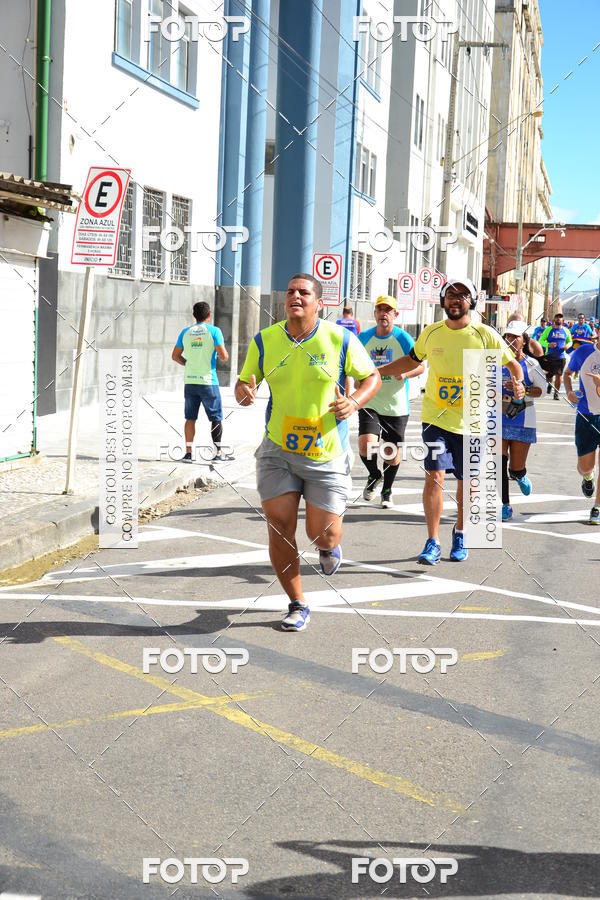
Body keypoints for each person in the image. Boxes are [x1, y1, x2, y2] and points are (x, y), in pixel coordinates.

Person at [235, 273, 380, 631]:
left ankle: (329, 548)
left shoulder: (339, 339)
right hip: (277, 451)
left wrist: (354, 402)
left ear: (319, 303)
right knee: (279, 527)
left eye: (304, 292)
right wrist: (244, 392)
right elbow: (243, 382)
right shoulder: (265, 340)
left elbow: (371, 377)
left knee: (322, 534)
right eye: (290, 292)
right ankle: (297, 602)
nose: (295, 296)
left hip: (326, 452)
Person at [378, 277, 524, 565]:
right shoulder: (431, 333)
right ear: (443, 300)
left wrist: (518, 384)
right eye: (451, 295)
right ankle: (432, 541)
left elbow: (513, 365)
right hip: (436, 418)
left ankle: (460, 532)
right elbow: (412, 360)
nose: (456, 299)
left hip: (473, 421)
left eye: (463, 295)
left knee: (467, 482)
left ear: (472, 301)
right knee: (435, 476)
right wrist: (377, 371)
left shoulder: (485, 334)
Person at [357, 295, 425, 508]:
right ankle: (374, 474)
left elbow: (421, 366)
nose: (383, 314)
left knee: (390, 452)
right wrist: (355, 382)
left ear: (395, 314)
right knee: (366, 445)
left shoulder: (403, 338)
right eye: (380, 309)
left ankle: (387, 490)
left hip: (396, 404)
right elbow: (353, 362)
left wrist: (405, 374)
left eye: (388, 310)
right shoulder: (364, 337)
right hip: (370, 400)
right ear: (375, 313)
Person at [172, 301, 230, 461]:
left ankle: (188, 453)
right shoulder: (214, 331)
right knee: (216, 417)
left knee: (190, 418)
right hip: (208, 381)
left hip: (190, 381)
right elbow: (224, 356)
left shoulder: (185, 332)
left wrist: (188, 364)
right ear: (209, 315)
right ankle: (218, 453)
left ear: (194, 315)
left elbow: (175, 356)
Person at [500, 321, 544, 521]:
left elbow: (541, 390)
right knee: (499, 463)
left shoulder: (532, 364)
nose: (510, 340)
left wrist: (522, 388)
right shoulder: (495, 361)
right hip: (498, 417)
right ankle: (505, 504)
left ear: (524, 341)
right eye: (508, 336)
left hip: (523, 419)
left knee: (515, 468)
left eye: (515, 337)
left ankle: (520, 475)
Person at [563, 332, 600, 525]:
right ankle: (587, 477)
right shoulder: (584, 352)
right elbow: (567, 373)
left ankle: (597, 507)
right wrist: (569, 391)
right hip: (586, 416)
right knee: (585, 466)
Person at [539, 313, 573, 399]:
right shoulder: (548, 329)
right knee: (549, 376)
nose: (558, 319)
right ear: (554, 320)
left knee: (559, 375)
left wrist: (567, 346)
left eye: (560, 318)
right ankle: (550, 384)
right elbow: (541, 340)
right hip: (549, 356)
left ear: (562, 320)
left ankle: (556, 393)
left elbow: (570, 341)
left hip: (560, 357)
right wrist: (548, 344)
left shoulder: (566, 330)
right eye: (557, 317)